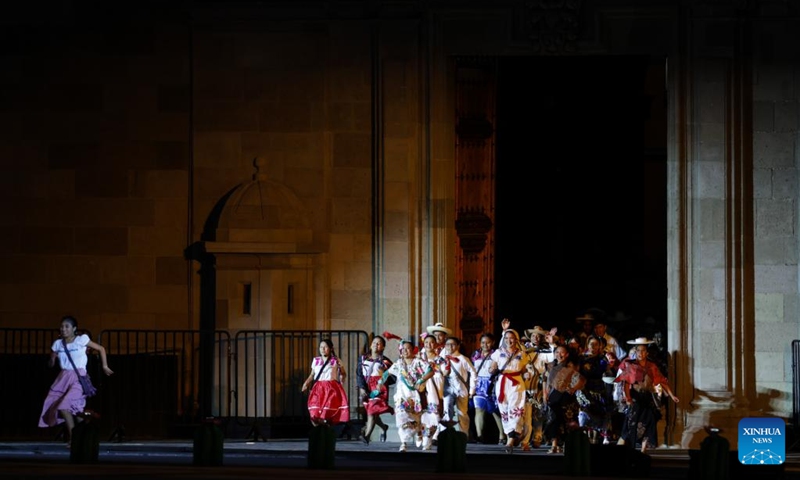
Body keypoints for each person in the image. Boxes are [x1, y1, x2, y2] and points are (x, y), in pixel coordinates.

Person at [38, 315, 114, 445]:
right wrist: (51, 359)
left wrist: (105, 366)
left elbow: (101, 348)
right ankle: (86, 430)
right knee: (75, 410)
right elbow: (51, 363)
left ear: (74, 328)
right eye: (62, 326)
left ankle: (74, 438)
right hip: (63, 378)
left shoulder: (81, 340)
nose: (63, 329)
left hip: (79, 377)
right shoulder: (57, 344)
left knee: (64, 406)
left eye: (67, 326)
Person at [615, 337, 679, 453]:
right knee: (630, 424)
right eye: (638, 350)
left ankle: (643, 451)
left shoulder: (651, 366)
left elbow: (661, 381)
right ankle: (625, 451)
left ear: (647, 352)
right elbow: (626, 384)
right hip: (635, 398)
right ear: (635, 351)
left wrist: (671, 395)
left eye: (643, 350)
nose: (641, 353)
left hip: (647, 399)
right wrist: (628, 398)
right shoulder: (631, 366)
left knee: (650, 421)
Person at [372, 340, 435, 452]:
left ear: (413, 350)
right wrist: (380, 382)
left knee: (417, 417)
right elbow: (387, 373)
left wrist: (421, 380)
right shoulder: (399, 363)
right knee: (401, 415)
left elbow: (431, 371)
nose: (405, 351)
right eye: (403, 349)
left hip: (415, 395)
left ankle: (419, 430)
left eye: (408, 348)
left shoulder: (418, 362)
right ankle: (403, 443)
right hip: (401, 395)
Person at [489, 327, 532, 454]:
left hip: (516, 382)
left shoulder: (522, 354)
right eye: (506, 338)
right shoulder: (498, 352)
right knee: (504, 410)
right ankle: (511, 435)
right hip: (502, 382)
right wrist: (492, 369)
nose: (509, 341)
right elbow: (493, 366)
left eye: (512, 338)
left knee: (516, 408)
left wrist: (526, 375)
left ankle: (511, 440)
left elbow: (524, 370)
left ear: (516, 340)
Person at [543, 344, 585, 454]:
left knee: (565, 421)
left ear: (566, 354)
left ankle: (566, 445)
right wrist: (545, 393)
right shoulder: (551, 366)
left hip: (566, 397)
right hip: (553, 396)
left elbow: (581, 380)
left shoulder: (571, 366)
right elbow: (546, 380)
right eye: (557, 352)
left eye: (562, 352)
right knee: (553, 419)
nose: (559, 355)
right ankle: (554, 445)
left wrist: (572, 388)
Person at [301, 339, 350, 426]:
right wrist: (306, 383)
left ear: (331, 348)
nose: (323, 349)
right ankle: (320, 432)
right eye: (321, 347)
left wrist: (342, 379)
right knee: (314, 413)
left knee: (327, 413)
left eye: (325, 347)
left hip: (330, 388)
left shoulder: (336, 360)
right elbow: (312, 375)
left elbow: (343, 373)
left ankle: (326, 433)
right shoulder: (316, 360)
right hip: (318, 388)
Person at [356, 335, 394, 444]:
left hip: (378, 388)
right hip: (366, 386)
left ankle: (367, 436)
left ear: (382, 347)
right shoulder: (363, 358)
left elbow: (393, 374)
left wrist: (383, 381)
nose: (375, 345)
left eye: (378, 343)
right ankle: (383, 427)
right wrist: (362, 388)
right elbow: (359, 374)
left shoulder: (384, 361)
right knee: (371, 410)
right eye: (374, 343)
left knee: (371, 411)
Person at [469, 332, 505, 445]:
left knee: (495, 410)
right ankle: (479, 435)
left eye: (488, 342)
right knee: (479, 410)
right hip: (479, 384)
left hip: (492, 385)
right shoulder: (475, 354)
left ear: (493, 343)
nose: (485, 345)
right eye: (483, 342)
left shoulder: (496, 354)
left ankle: (502, 435)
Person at [439, 336, 476, 437]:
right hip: (447, 388)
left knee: (462, 412)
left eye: (453, 344)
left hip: (461, 388)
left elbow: (473, 372)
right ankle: (444, 434)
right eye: (447, 344)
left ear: (458, 346)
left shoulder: (463, 359)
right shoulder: (442, 358)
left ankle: (464, 434)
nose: (450, 347)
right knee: (446, 409)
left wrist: (472, 389)